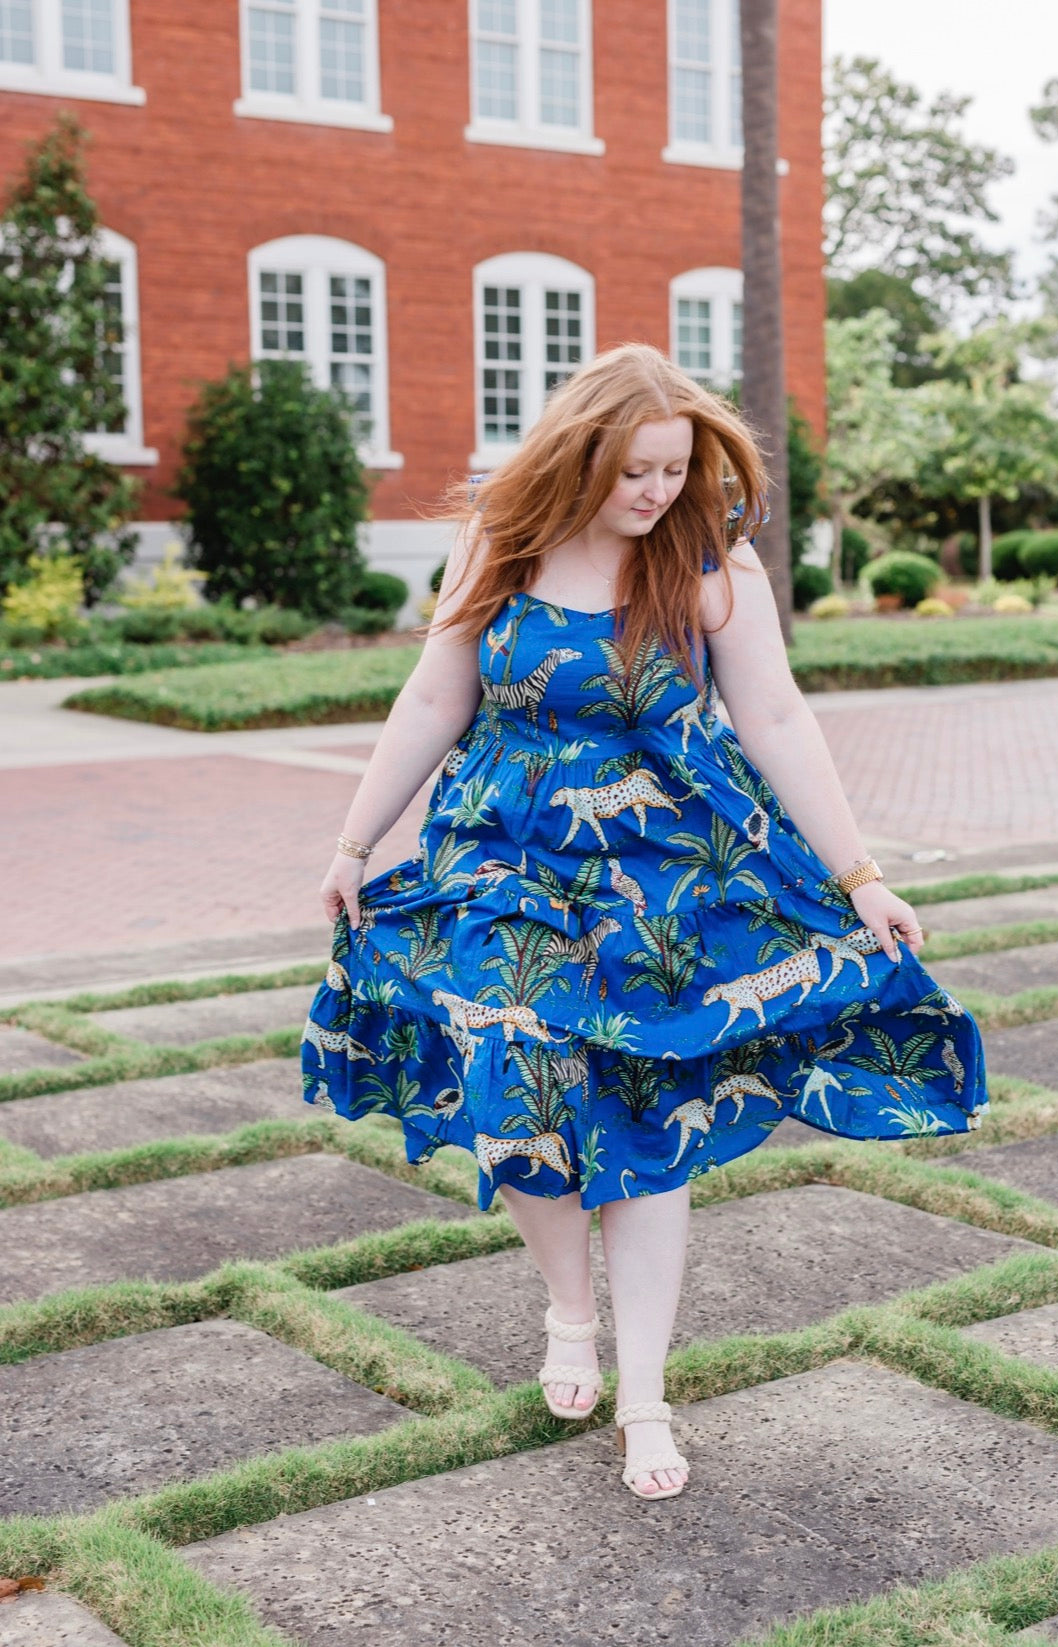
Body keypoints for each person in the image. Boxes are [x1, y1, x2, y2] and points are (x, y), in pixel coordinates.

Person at [302, 342, 988, 1503]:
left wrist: (861, 875)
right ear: (580, 454)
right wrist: (353, 841)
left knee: (657, 1121)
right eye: (637, 471)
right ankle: (571, 1307)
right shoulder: (497, 542)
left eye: (677, 470)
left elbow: (774, 718)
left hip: (667, 880)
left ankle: (646, 1392)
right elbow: (432, 697)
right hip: (499, 861)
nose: (659, 493)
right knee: (512, 1081)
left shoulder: (713, 567)